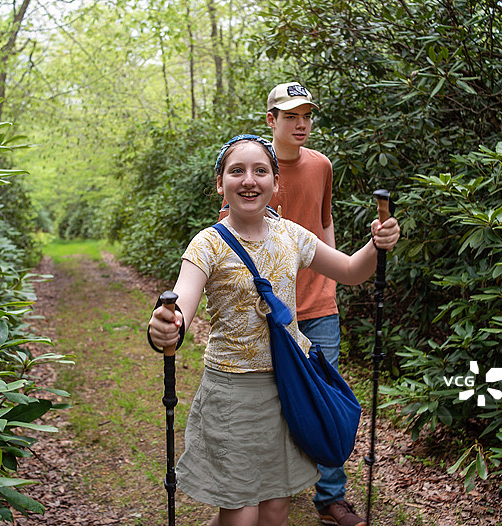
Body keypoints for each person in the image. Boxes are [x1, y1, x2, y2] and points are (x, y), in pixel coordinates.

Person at [148, 134, 400, 526]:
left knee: (276, 509)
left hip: (289, 389)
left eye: (260, 171)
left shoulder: (292, 235)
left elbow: (351, 271)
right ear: (221, 184)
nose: (249, 180)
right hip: (232, 395)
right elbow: (179, 305)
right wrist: (166, 325)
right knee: (242, 514)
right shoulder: (207, 246)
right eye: (237, 171)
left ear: (275, 182)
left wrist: (376, 244)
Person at [220, 82, 365, 526]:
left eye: (305, 116)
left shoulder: (321, 165)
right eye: (289, 116)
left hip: (318, 304)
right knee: (271, 398)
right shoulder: (252, 166)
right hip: (270, 309)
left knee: (323, 394)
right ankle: (268, 482)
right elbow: (229, 233)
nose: (300, 124)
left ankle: (330, 496)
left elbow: (324, 221)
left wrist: (331, 279)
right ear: (272, 120)